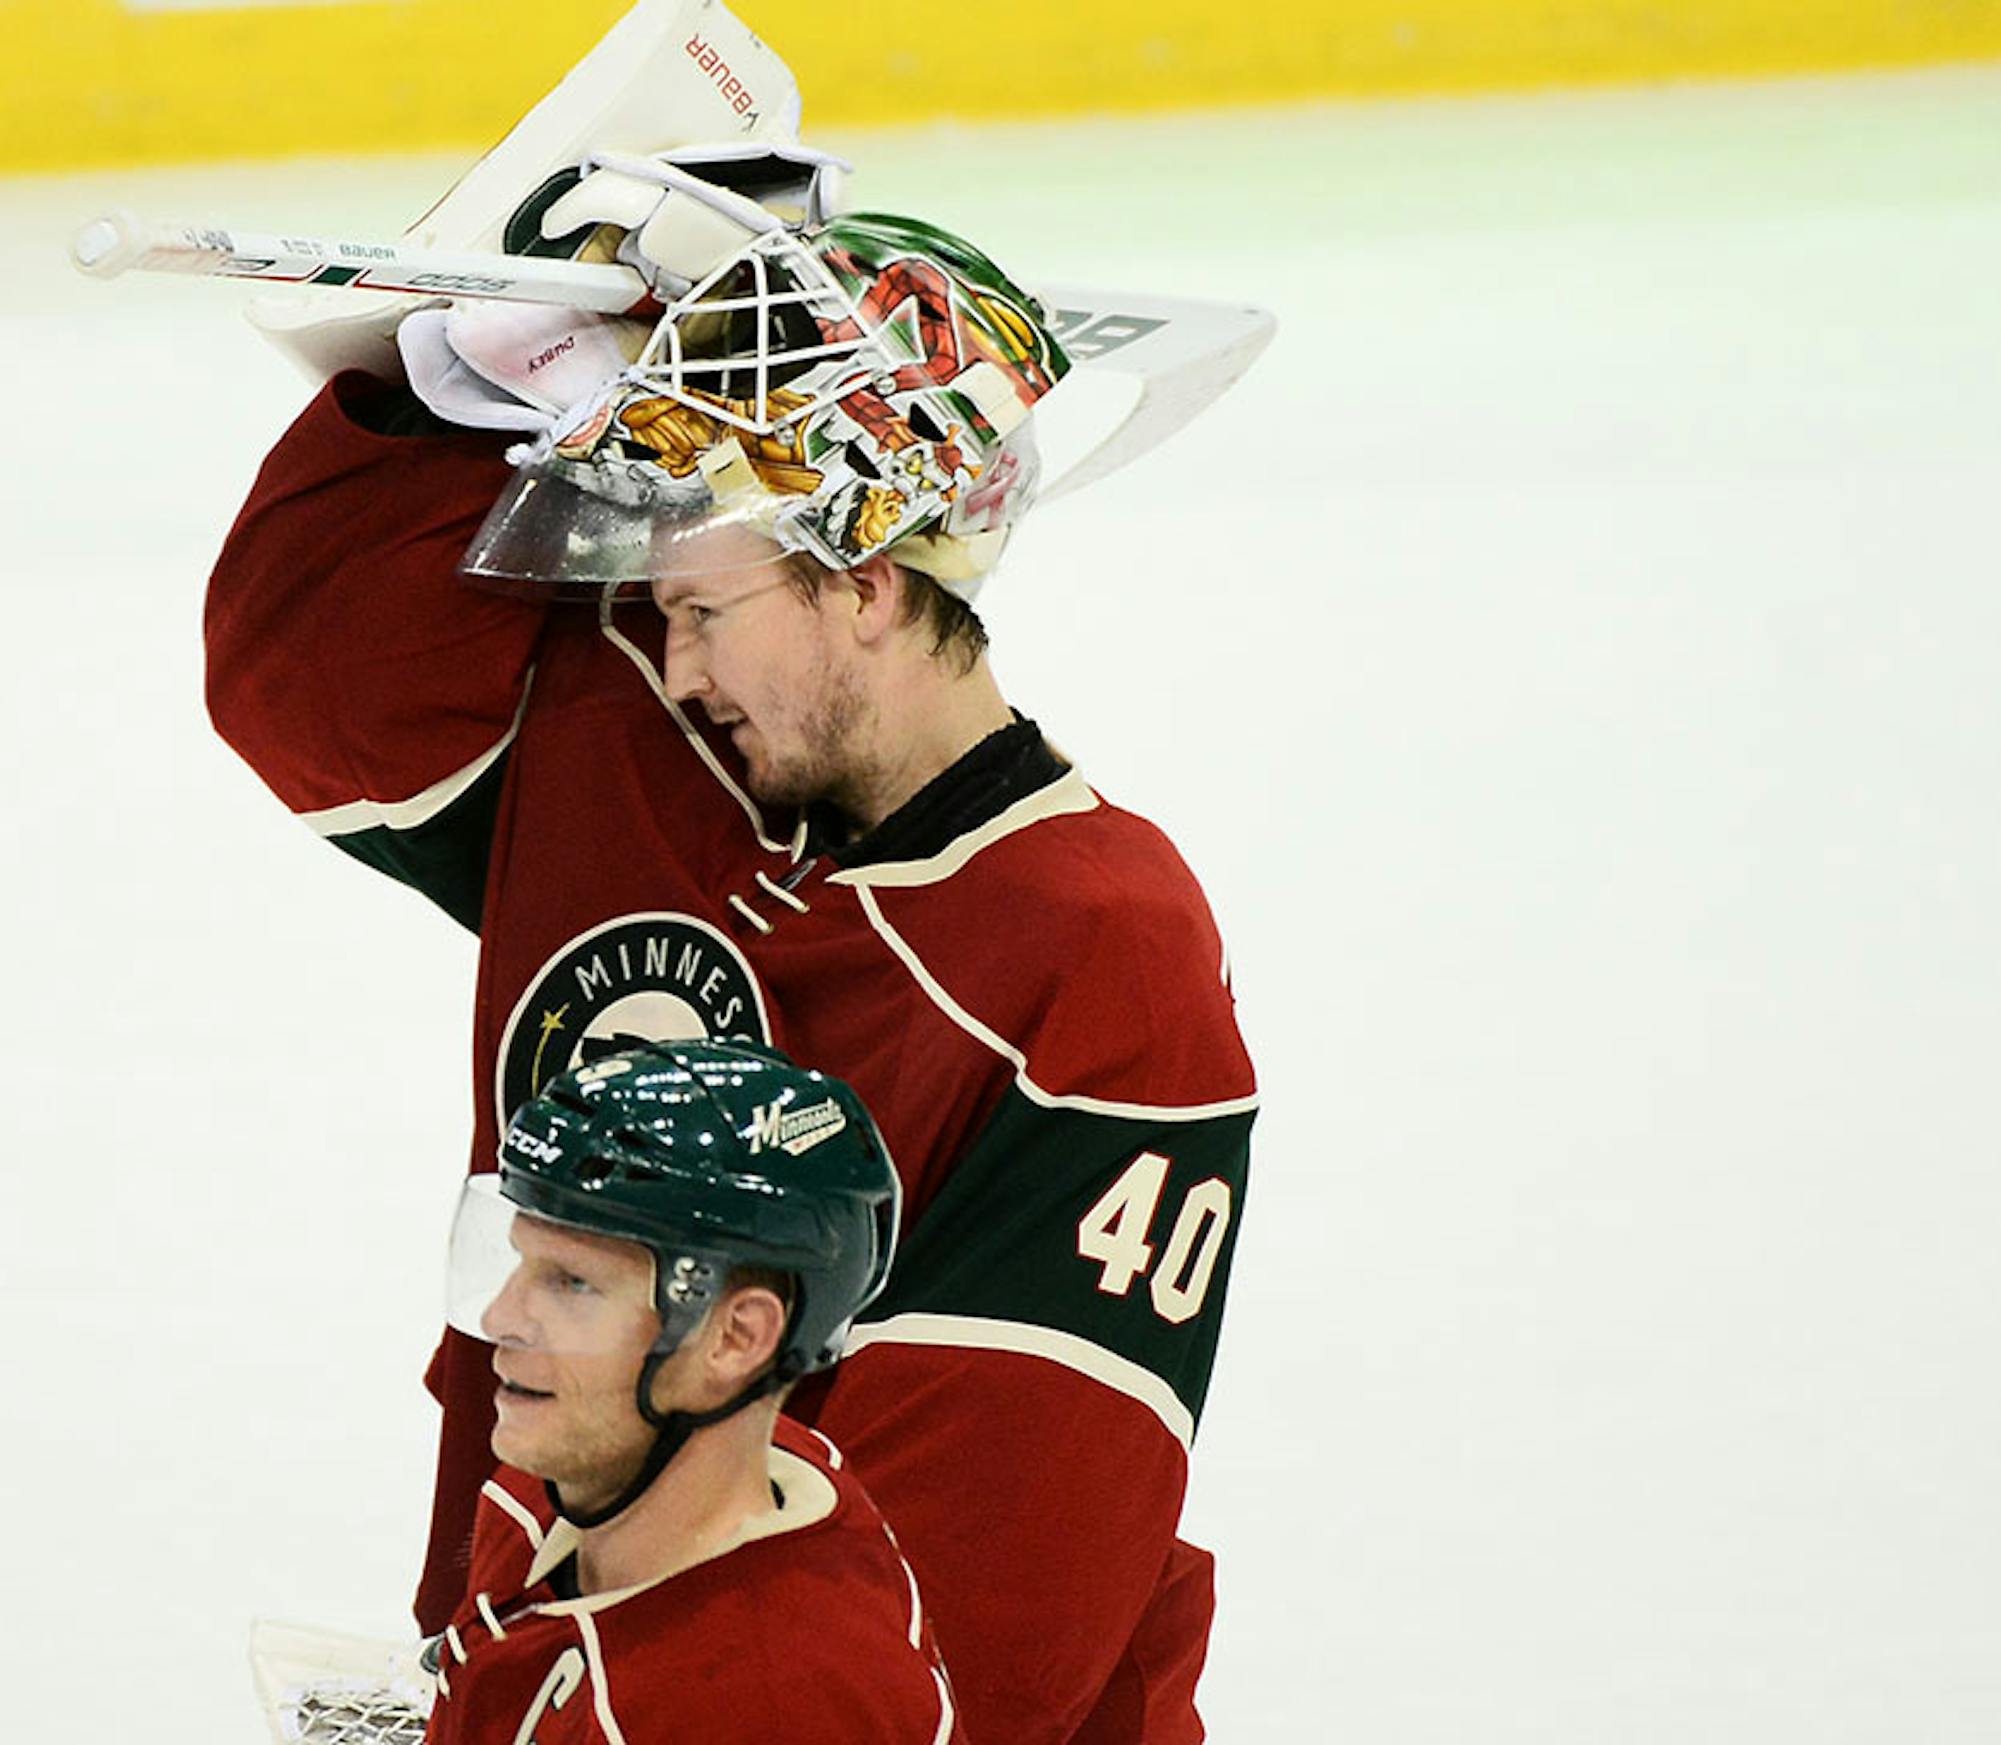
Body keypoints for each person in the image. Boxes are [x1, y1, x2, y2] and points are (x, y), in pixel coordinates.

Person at [205, 153, 1258, 1745]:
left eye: (704, 605)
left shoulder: (1100, 951)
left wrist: (607, 1699)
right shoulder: (653, 736)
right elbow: (298, 684)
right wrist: (458, 386)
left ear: (866, 585)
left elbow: (1004, 1567)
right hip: (539, 1669)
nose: (671, 653)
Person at [427, 1035, 961, 1744]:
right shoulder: (550, 1498)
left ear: (736, 1338)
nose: (501, 1318)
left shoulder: (770, 1712)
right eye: (523, 1261)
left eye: (573, 1282)